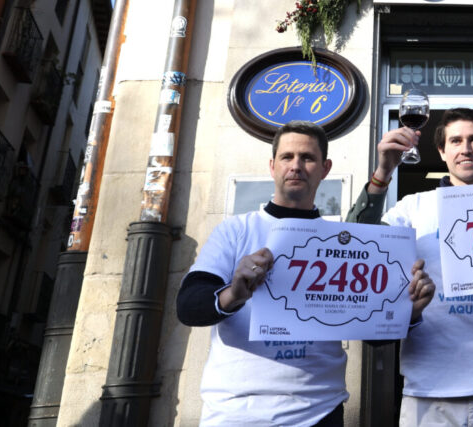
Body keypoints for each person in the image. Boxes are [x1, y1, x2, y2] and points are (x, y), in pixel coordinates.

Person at [177, 121, 435, 426]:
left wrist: (410, 312)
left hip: (320, 411)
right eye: (287, 157)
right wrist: (234, 293)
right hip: (236, 411)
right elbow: (189, 306)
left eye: (307, 158)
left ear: (325, 169)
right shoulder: (235, 230)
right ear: (272, 166)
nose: (296, 166)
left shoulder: (341, 240)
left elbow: (371, 333)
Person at [350, 108, 473, 426]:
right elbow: (355, 250)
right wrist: (383, 172)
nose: (466, 149)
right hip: (428, 394)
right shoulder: (413, 208)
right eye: (456, 141)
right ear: (441, 151)